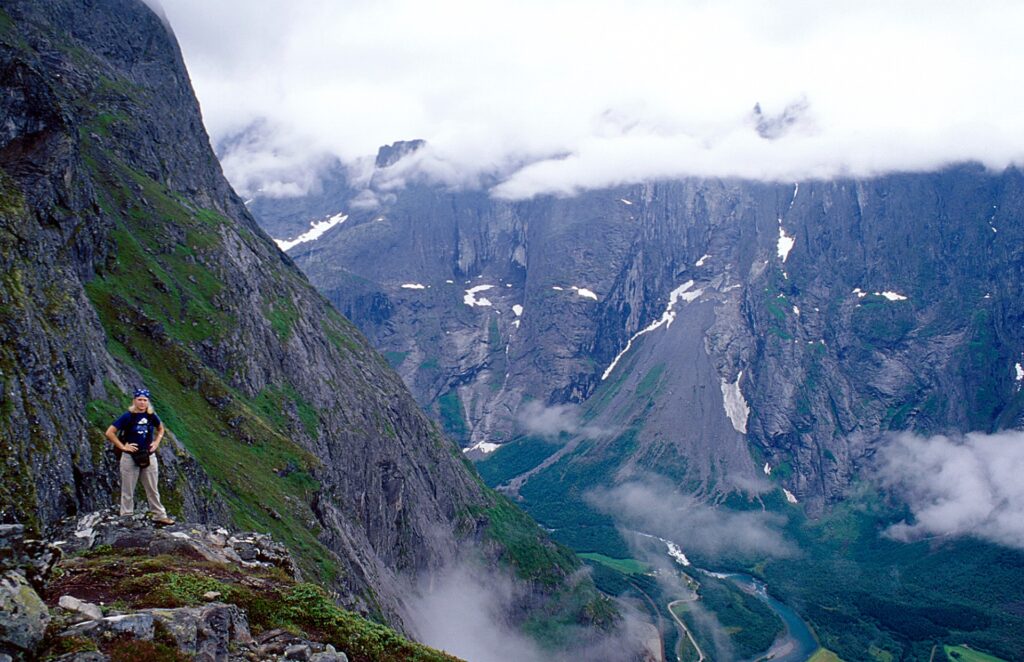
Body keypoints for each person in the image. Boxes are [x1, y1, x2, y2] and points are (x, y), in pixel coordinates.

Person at [105, 388, 175, 525]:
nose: (142, 403)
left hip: (148, 455)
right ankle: (126, 516)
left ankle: (159, 515)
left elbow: (161, 428)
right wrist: (123, 447)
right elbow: (110, 432)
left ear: (148, 402)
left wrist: (157, 442)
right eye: (140, 400)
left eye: (145, 400)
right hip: (129, 456)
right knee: (128, 489)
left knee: (152, 488)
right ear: (134, 401)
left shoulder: (151, 416)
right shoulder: (128, 416)